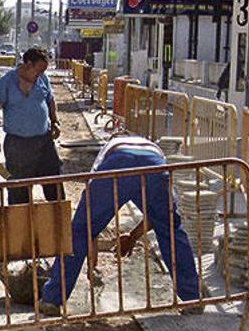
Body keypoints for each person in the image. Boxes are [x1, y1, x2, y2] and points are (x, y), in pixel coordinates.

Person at [38, 135, 201, 315]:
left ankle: (52, 299)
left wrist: (93, 262)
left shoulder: (107, 151)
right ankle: (192, 299)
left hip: (116, 165)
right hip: (153, 166)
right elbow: (156, 217)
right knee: (170, 228)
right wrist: (132, 237)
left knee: (80, 231)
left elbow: (90, 223)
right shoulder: (155, 150)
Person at [0, 46, 63, 205]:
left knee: (54, 186)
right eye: (38, 71)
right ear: (28, 64)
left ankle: (59, 219)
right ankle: (20, 220)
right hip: (17, 145)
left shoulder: (43, 80)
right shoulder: (5, 82)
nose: (40, 75)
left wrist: (54, 121)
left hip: (44, 143)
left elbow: (50, 100)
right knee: (18, 191)